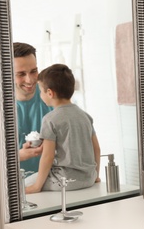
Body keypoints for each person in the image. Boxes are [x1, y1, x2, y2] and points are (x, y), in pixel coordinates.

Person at [25, 64, 101, 194]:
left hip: (64, 181)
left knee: (22, 184)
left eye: (41, 92)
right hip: (88, 178)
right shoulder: (85, 116)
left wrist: (36, 186)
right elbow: (96, 149)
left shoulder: (50, 119)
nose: (40, 95)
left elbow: (47, 156)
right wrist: (96, 176)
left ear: (50, 93)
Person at [14, 42, 52, 173]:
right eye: (21, 74)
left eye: (33, 71)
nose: (29, 80)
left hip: (50, 183)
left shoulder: (52, 98)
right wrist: (18, 156)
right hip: (13, 187)